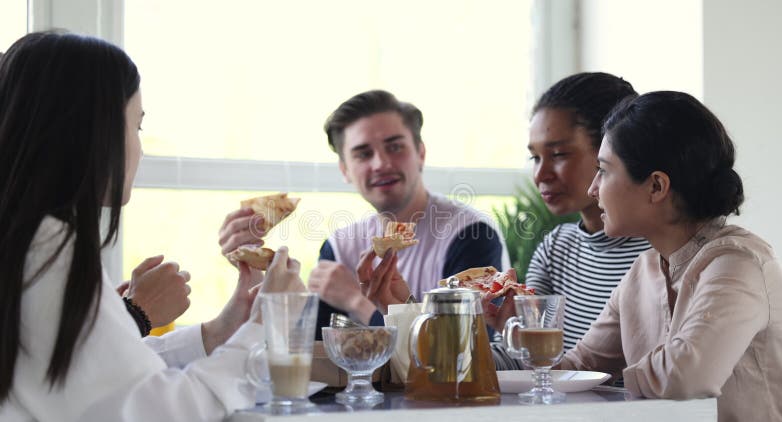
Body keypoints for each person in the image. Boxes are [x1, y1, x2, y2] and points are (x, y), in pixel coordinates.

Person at [0, 32, 300, 421]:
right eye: (136, 126)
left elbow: (91, 379)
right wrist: (267, 322)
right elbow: (157, 412)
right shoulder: (47, 252)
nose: (139, 149)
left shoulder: (24, 241)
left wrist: (221, 332)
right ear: (94, 131)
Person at [561, 91, 782, 420]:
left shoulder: (738, 262)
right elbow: (577, 367)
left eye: (603, 170)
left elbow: (688, 376)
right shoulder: (641, 272)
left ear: (657, 187)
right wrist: (513, 331)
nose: (593, 189)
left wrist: (618, 380)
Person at [219, 90, 510, 336]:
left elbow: (462, 350)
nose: (381, 163)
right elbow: (314, 349)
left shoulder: (471, 234)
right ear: (345, 170)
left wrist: (356, 300)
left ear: (420, 153)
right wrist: (258, 275)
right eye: (362, 154)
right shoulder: (340, 245)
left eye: (395, 147)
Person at [521, 73, 651, 351]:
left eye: (558, 155)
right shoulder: (556, 249)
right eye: (535, 157)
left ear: (613, 150)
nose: (541, 174)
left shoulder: (664, 255)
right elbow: (530, 359)